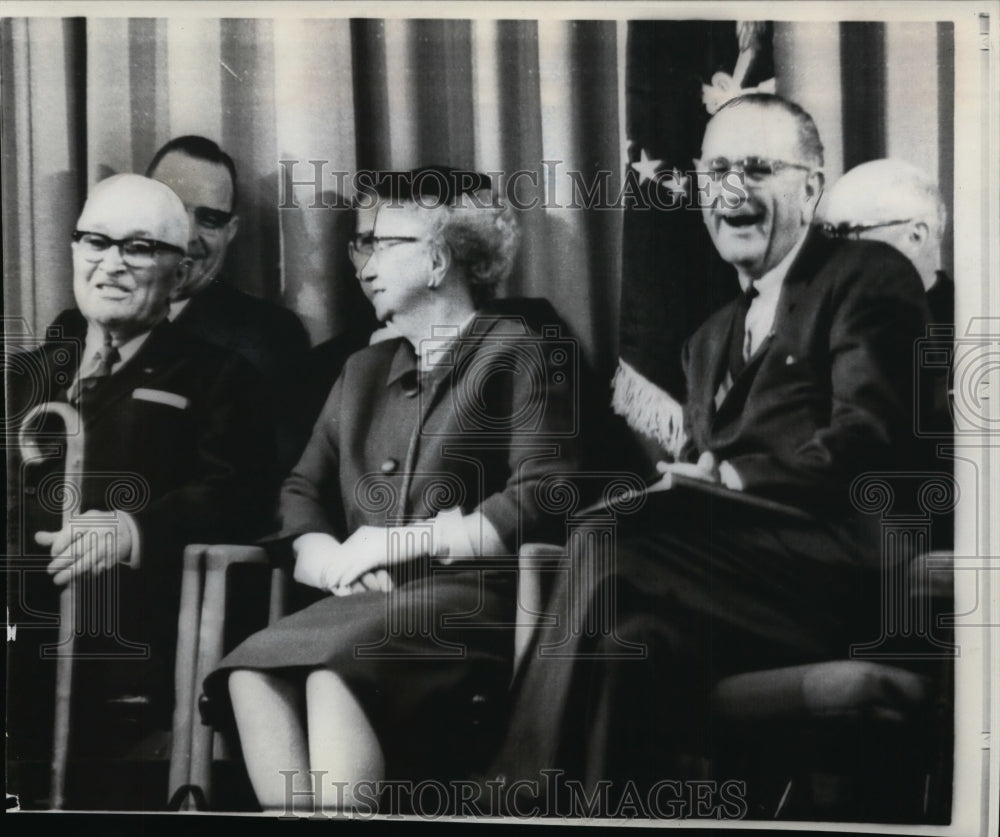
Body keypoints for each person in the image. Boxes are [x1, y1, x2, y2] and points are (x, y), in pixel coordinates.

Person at [487, 93, 932, 807]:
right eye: (716, 169)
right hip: (730, 584)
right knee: (624, 643)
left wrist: (728, 474)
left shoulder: (868, 276)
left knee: (605, 534)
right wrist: (694, 477)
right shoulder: (706, 338)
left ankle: (511, 800)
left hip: (846, 575)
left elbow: (866, 436)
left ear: (812, 187)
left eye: (758, 168)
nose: (731, 189)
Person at [201, 170, 588, 813]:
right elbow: (302, 487)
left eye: (385, 244)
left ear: (438, 260)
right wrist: (324, 555)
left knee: (335, 673)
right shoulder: (364, 370)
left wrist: (393, 542)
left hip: (476, 602)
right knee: (249, 674)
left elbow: (544, 492)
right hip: (369, 605)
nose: (364, 263)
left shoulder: (519, 349)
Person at [6, 174, 276, 809]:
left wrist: (132, 530)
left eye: (140, 248)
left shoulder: (220, 376)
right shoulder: (26, 375)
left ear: (180, 273)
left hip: (129, 632)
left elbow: (237, 495)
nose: (112, 264)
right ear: (74, 251)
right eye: (96, 242)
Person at [822, 157, 952, 324]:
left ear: (915, 237)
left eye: (848, 230)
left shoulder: (967, 320)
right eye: (828, 231)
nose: (833, 247)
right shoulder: (825, 320)